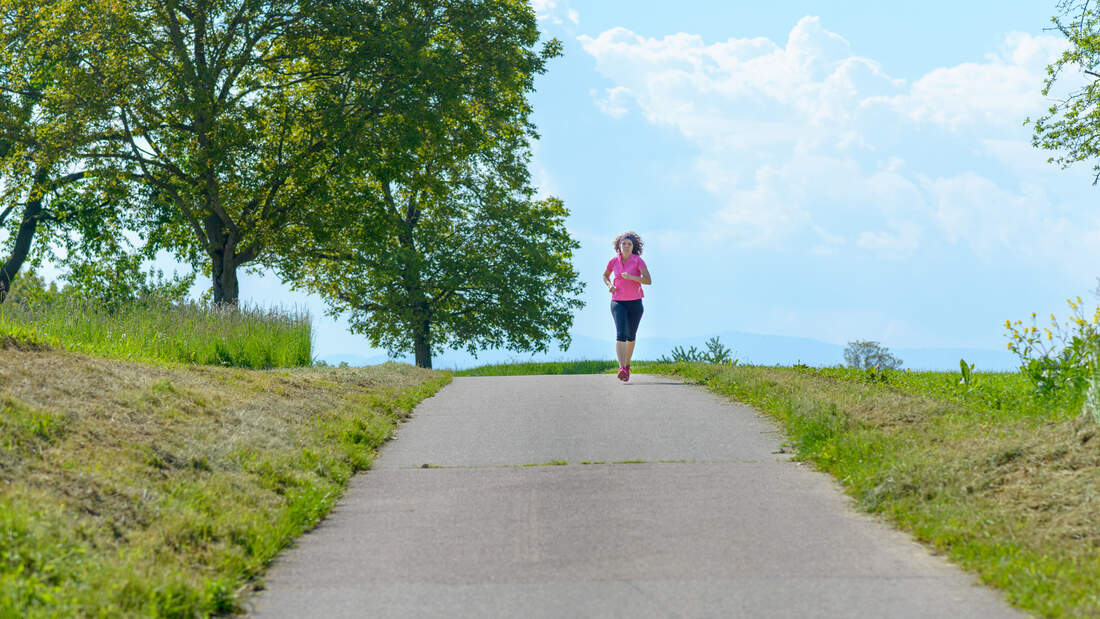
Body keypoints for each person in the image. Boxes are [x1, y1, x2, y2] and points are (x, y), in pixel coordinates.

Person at [602, 231, 652, 382]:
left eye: (629, 244)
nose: (626, 246)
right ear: (619, 245)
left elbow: (648, 280)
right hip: (618, 302)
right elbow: (605, 275)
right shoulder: (613, 261)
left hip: (635, 303)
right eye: (623, 243)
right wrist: (610, 285)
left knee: (631, 336)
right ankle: (622, 368)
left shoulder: (638, 261)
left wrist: (631, 277)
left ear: (633, 246)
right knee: (621, 334)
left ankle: (627, 365)